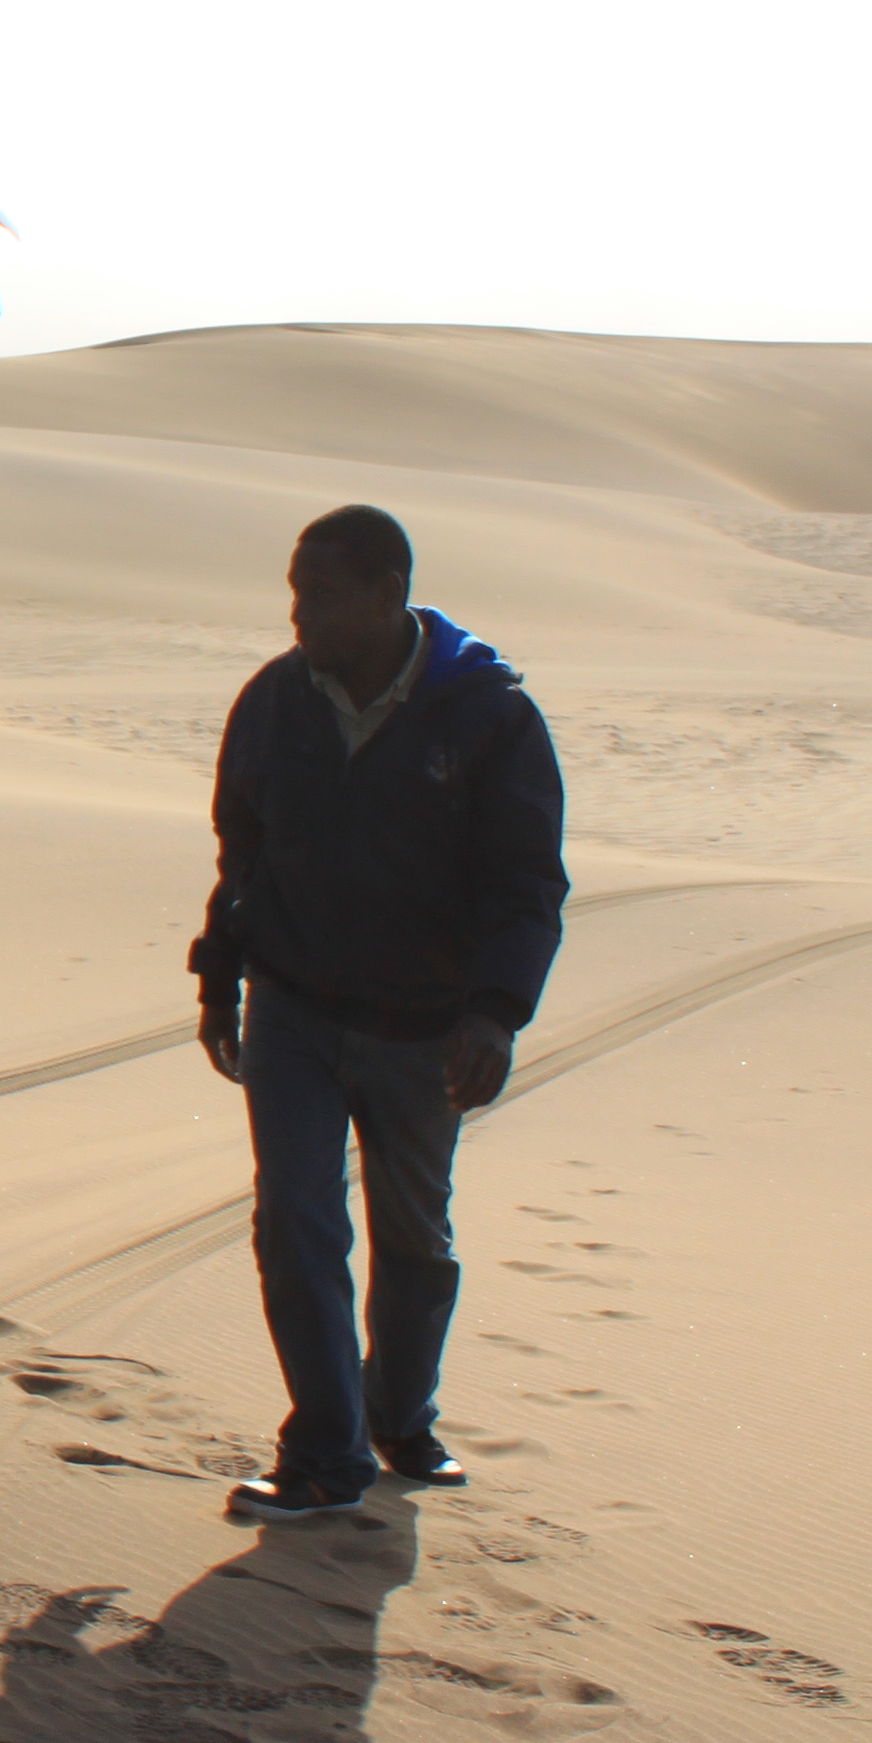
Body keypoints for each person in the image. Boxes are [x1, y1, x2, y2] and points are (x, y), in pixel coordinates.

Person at [190, 505, 567, 1523]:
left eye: (321, 592)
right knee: (294, 1219)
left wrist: (494, 1013)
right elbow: (244, 852)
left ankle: (398, 1418)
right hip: (295, 1009)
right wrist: (218, 971)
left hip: (421, 1028)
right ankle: (323, 1454)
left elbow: (525, 883)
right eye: (294, 590)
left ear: (389, 590)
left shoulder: (488, 717)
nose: (299, 612)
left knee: (414, 1239)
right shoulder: (275, 701)